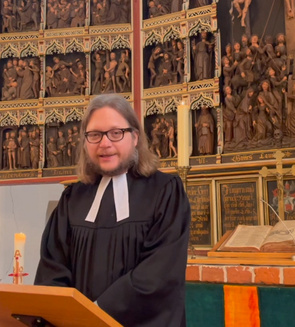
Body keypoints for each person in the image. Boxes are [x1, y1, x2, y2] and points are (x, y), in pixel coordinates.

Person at [35, 94, 191, 327]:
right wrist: (66, 316)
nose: (105, 143)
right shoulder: (72, 198)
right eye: (95, 135)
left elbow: (158, 273)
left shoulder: (165, 191)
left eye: (116, 133)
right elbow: (52, 269)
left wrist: (95, 313)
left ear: (135, 136)